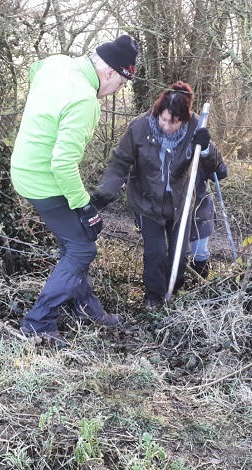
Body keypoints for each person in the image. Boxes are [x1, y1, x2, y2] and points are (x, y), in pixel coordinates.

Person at [10, 34, 140, 346]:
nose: (117, 91)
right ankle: (38, 323)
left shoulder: (58, 64)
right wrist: (85, 207)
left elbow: (35, 70)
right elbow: (62, 164)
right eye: (121, 83)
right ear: (109, 72)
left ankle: (88, 310)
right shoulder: (84, 100)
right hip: (43, 179)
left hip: (25, 168)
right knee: (82, 249)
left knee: (75, 243)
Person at [92, 82, 225, 308]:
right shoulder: (140, 127)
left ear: (184, 119)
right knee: (155, 252)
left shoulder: (196, 127)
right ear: (157, 112)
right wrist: (104, 194)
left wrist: (205, 149)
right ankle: (153, 299)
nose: (166, 125)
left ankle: (172, 295)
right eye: (163, 119)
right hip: (146, 202)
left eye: (174, 122)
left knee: (179, 256)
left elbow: (216, 168)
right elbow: (120, 162)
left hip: (181, 203)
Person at [189, 163, 229, 279]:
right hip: (174, 212)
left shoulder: (202, 154)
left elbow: (221, 172)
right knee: (176, 252)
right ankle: (176, 285)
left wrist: (210, 156)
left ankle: (200, 284)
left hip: (201, 210)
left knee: (200, 252)